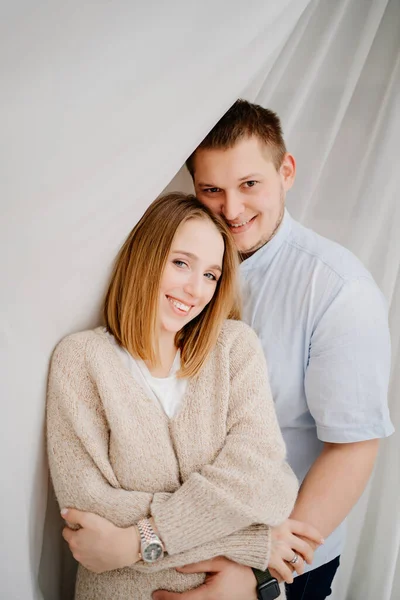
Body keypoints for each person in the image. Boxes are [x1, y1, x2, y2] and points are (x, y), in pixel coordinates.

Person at [152, 99, 392, 600]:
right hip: (175, 545)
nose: (231, 210)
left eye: (249, 185)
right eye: (211, 189)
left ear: (286, 171)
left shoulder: (337, 289)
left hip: (282, 569)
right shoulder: (172, 267)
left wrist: (261, 575)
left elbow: (352, 447)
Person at [46, 192, 299, 600]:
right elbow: (89, 512)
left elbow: (263, 484)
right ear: (146, 257)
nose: (195, 289)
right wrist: (255, 541)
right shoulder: (82, 361)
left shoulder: (234, 348)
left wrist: (137, 541)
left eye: (210, 275)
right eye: (181, 263)